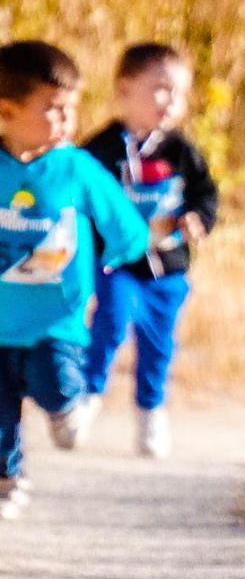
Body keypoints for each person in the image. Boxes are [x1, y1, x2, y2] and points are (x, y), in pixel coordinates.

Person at [0, 40, 149, 520]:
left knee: (56, 387)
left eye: (72, 110)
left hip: (56, 323)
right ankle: (6, 478)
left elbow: (124, 225)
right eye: (55, 110)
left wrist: (117, 257)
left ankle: (68, 406)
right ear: (6, 110)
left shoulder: (76, 168)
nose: (68, 122)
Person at [80, 43, 218, 459]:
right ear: (125, 88)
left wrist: (198, 217)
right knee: (111, 322)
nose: (171, 102)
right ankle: (86, 397)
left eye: (179, 93)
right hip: (117, 263)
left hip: (168, 265)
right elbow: (81, 198)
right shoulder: (101, 149)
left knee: (159, 343)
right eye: (160, 89)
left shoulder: (180, 150)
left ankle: (150, 411)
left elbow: (205, 194)